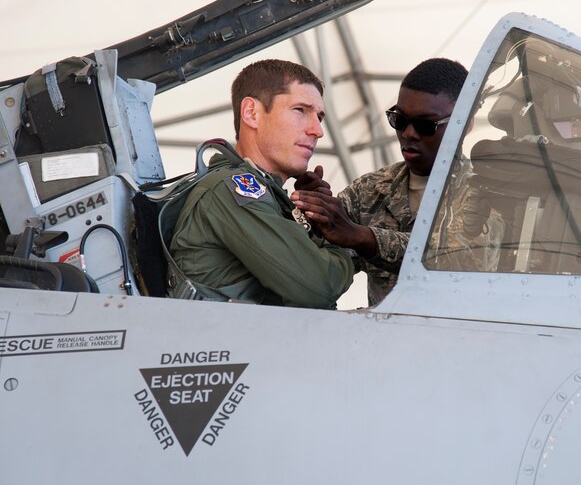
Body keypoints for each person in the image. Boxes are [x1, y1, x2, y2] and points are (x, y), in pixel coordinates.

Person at [168, 59, 354, 307]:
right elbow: (319, 287)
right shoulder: (233, 190)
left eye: (319, 117)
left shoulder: (267, 196)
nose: (318, 130)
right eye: (300, 110)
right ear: (251, 114)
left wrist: (314, 225)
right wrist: (339, 240)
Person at [291, 58, 468, 306]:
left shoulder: (489, 190)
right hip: (385, 341)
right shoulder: (370, 190)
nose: (408, 133)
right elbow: (324, 264)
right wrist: (313, 217)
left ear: (465, 123)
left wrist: (361, 236)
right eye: (399, 120)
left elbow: (452, 256)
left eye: (425, 125)